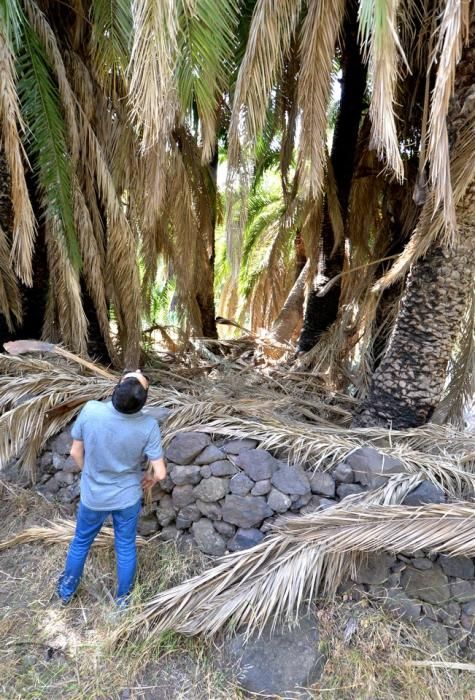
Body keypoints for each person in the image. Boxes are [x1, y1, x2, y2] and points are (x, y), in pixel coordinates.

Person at [56, 370, 167, 607]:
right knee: (125, 547)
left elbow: (76, 452)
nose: (137, 371)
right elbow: (161, 472)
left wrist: (91, 473)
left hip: (94, 496)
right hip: (127, 498)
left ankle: (66, 591)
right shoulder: (148, 425)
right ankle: (123, 601)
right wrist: (150, 478)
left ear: (116, 389)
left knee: (81, 542)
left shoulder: (91, 409)